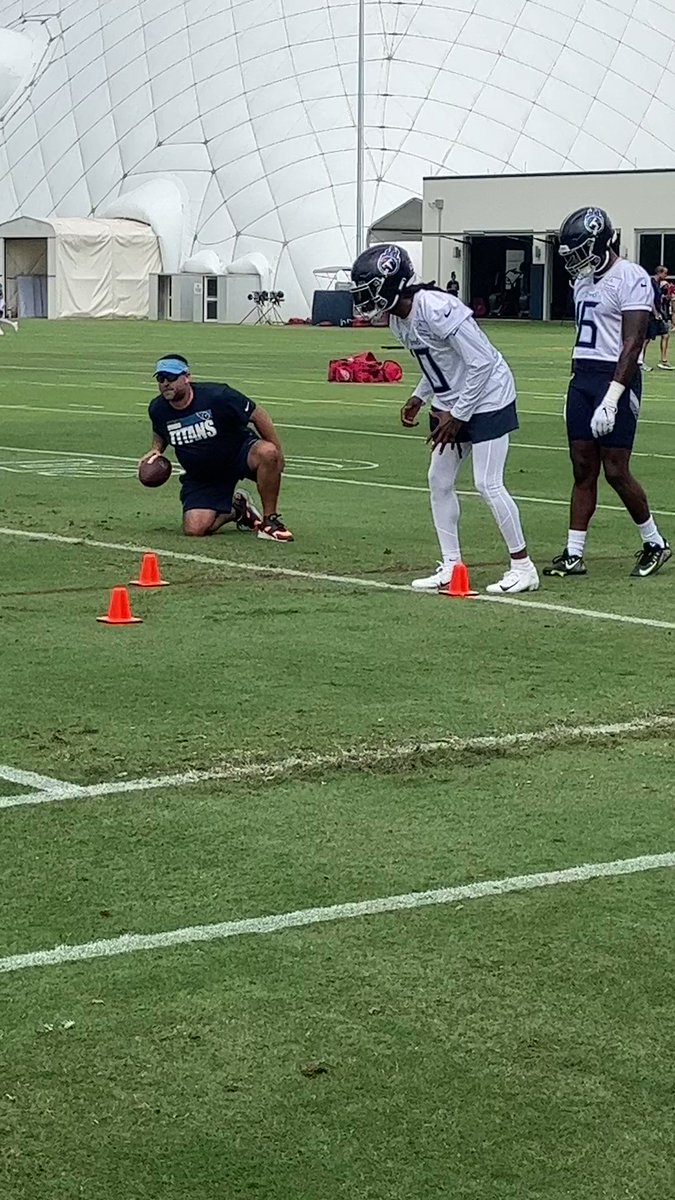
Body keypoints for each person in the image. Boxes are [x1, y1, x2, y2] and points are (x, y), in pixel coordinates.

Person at [350, 244, 539, 595]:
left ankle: (523, 567)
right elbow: (438, 361)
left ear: (392, 284)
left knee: (487, 483)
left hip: (489, 394)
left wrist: (458, 414)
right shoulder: (397, 319)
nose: (366, 300)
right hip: (454, 399)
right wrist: (420, 396)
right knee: (438, 479)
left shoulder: (436, 308)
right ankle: (452, 566)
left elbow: (481, 361)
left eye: (371, 290)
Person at [544, 207, 669, 579]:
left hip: (616, 377)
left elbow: (632, 343)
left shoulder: (631, 277)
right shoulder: (582, 280)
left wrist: (613, 397)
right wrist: (573, 386)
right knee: (582, 467)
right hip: (583, 377)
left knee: (615, 470)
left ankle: (655, 542)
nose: (576, 259)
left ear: (600, 243)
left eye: (581, 250)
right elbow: (584, 335)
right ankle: (574, 552)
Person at [140, 354, 293, 541]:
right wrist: (156, 449)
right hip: (203, 475)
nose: (166, 383)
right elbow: (161, 430)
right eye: (161, 379)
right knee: (194, 529)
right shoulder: (158, 408)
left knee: (267, 453)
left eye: (171, 378)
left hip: (238, 454)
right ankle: (237, 509)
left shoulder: (218, 395)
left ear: (187, 377)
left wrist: (277, 451)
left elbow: (257, 414)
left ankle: (270, 520)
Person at [642, 264, 669, 371]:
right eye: (665, 273)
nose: (666, 276)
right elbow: (650, 299)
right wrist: (655, 313)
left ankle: (664, 361)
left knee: (665, 334)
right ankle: (640, 362)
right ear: (659, 273)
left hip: (658, 314)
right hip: (651, 315)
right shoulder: (651, 283)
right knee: (646, 339)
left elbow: (657, 297)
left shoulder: (658, 284)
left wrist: (664, 297)